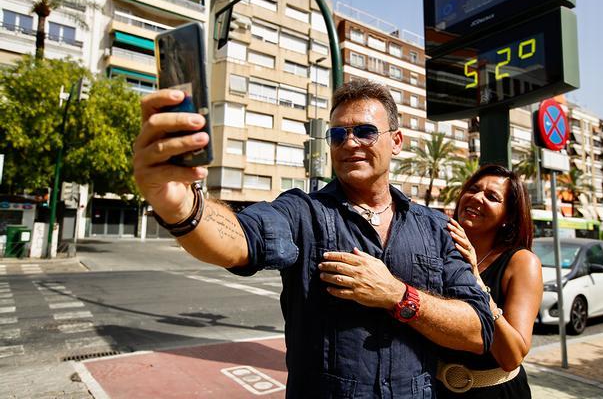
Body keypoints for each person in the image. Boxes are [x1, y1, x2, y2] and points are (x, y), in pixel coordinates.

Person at [133, 79, 494, 398]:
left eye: (365, 131)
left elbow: (478, 331)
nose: (349, 142)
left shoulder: (435, 227)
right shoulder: (303, 212)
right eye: (337, 134)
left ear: (396, 141)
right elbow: (243, 239)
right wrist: (185, 207)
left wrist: (397, 295)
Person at [436, 165, 543, 398]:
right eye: (473, 189)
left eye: (492, 197)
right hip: (435, 389)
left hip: (496, 391)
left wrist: (475, 281)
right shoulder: (438, 248)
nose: (476, 198)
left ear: (508, 216)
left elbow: (512, 356)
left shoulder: (522, 262)